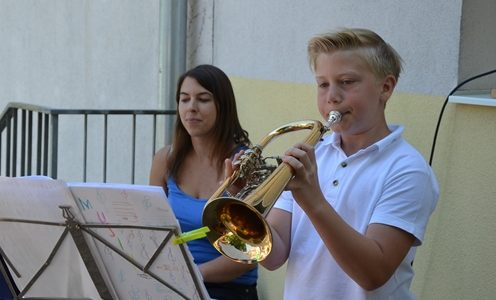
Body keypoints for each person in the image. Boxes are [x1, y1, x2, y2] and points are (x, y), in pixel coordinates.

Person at [257, 28, 439, 299]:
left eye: (347, 82)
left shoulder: (407, 169)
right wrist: (245, 207)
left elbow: (373, 274)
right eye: (323, 84)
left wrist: (313, 201)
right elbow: (274, 255)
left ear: (385, 88)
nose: (332, 96)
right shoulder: (314, 155)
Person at [149, 64, 258, 299]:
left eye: (203, 99)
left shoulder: (244, 165)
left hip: (229, 290)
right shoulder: (164, 159)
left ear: (223, 106)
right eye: (184, 99)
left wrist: (193, 274)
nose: (191, 108)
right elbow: (151, 230)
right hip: (173, 285)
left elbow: (248, 254)